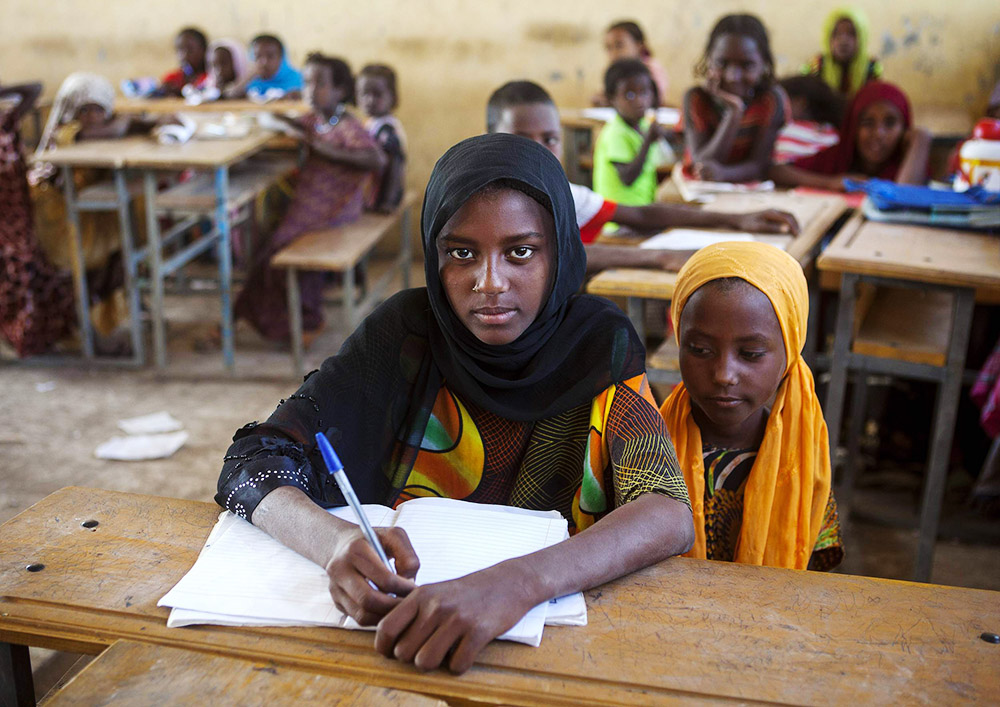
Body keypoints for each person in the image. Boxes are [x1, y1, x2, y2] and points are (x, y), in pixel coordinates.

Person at [217, 133, 695, 673]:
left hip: (556, 653)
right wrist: (331, 542)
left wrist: (516, 583)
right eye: (461, 253)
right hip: (394, 638)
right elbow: (251, 463)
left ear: (561, 250)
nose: (489, 283)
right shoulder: (406, 334)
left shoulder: (597, 345)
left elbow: (667, 512)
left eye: (521, 252)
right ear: (433, 251)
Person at [487, 80, 799, 274]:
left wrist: (739, 220)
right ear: (489, 139)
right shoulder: (485, 201)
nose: (540, 150)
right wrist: (659, 257)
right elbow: (555, 255)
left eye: (550, 139)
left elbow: (641, 213)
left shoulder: (558, 191)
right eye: (522, 137)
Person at [659, 242, 843, 570]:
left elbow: (813, 573)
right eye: (700, 349)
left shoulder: (801, 459)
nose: (724, 375)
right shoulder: (647, 450)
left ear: (790, 352)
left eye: (751, 354)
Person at [234, 53, 384, 341]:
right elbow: (287, 120)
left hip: (336, 208)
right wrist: (283, 120)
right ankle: (282, 317)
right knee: (269, 250)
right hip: (310, 205)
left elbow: (376, 159)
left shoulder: (346, 126)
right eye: (306, 82)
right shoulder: (314, 120)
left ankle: (305, 319)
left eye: (320, 83)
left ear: (341, 90)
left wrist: (322, 149)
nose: (311, 90)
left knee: (279, 253)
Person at [29, 73, 158, 353]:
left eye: (97, 109)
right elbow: (108, 132)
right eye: (82, 110)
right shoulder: (66, 132)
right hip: (60, 221)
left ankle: (118, 318)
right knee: (115, 249)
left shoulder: (108, 129)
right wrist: (128, 122)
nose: (90, 117)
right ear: (69, 111)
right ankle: (99, 332)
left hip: (90, 214)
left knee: (126, 240)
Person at [0, 79, 75, 356]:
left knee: (28, 270)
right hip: (6, 220)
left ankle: (30, 335)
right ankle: (21, 334)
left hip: (17, 212)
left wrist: (4, 90)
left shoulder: (5, 121)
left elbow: (34, 88)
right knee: (20, 271)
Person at [683, 14, 789, 183]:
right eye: (722, 63)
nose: (733, 76)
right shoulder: (697, 99)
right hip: (698, 191)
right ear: (709, 60)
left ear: (763, 64)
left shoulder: (770, 100)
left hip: (751, 190)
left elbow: (759, 165)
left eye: (746, 65)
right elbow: (701, 163)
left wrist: (724, 174)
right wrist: (733, 114)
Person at [770, 81, 930, 191]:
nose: (878, 134)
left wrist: (920, 140)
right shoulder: (837, 158)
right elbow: (775, 172)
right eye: (867, 122)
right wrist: (829, 182)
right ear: (852, 127)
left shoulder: (909, 166)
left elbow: (905, 196)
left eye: (890, 123)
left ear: (904, 128)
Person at [593, 59, 668, 209]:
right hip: (619, 221)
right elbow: (627, 178)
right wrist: (648, 142)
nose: (640, 101)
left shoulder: (642, 125)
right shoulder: (615, 133)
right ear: (612, 99)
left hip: (639, 211)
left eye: (644, 92)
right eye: (630, 95)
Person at [357, 64, 406, 212]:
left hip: (383, 195)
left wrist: (388, 201)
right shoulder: (371, 123)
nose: (370, 100)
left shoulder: (387, 129)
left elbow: (395, 164)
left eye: (377, 94)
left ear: (393, 97)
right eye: (364, 94)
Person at [805, 8, 882, 98]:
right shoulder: (816, 65)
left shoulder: (871, 66)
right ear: (828, 38)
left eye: (851, 34)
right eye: (836, 33)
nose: (843, 40)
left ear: (862, 38)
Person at [593, 20, 669, 106]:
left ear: (638, 45)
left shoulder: (651, 69)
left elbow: (653, 102)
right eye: (609, 48)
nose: (613, 53)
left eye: (619, 45)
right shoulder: (614, 71)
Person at [773, 75, 844, 164]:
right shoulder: (835, 134)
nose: (775, 106)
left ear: (801, 103)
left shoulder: (785, 129)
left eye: (779, 100)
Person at [227, 34, 303, 100]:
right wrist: (249, 78)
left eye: (270, 56)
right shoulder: (251, 82)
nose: (264, 62)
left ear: (281, 58)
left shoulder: (299, 80)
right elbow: (230, 96)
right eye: (258, 56)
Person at [184, 39, 249, 102]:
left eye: (224, 63)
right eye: (214, 65)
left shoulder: (250, 89)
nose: (219, 71)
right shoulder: (207, 86)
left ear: (238, 63)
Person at [159, 27, 209, 97]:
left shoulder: (210, 79)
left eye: (190, 50)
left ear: (204, 50)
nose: (184, 55)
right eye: (180, 50)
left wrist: (180, 93)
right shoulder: (172, 78)